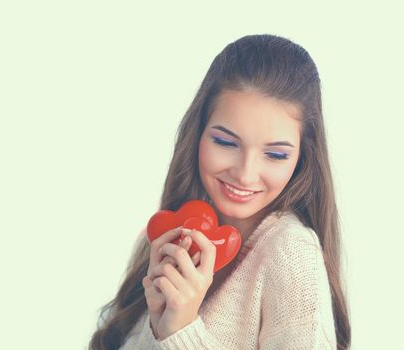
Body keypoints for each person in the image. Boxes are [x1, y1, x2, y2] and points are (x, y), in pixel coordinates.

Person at [89, 34, 351, 349]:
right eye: (226, 142)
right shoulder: (167, 236)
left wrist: (181, 330)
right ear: (197, 134)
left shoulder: (291, 252)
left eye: (276, 154)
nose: (244, 173)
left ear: (301, 158)